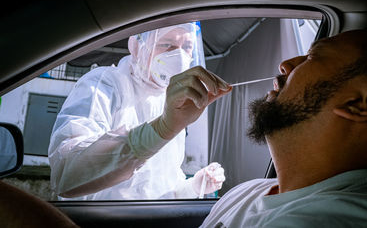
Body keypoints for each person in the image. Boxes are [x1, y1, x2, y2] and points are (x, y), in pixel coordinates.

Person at [200, 29, 367, 227]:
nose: (285, 65)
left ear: (362, 103)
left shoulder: (329, 220)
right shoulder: (245, 192)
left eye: (314, 57)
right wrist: (168, 129)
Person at [48, 22, 231, 200]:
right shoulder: (104, 84)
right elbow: (66, 175)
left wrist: (193, 187)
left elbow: (161, 189)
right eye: (167, 44)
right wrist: (161, 129)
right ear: (137, 47)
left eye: (188, 46)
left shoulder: (170, 101)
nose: (179, 56)